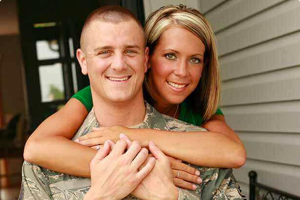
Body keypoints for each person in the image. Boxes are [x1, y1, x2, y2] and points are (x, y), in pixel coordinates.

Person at [20, 5, 244, 200]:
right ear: (83, 61)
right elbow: (35, 146)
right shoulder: (45, 165)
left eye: (130, 51)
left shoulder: (200, 155)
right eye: (104, 52)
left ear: (144, 59)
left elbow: (233, 152)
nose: (118, 64)